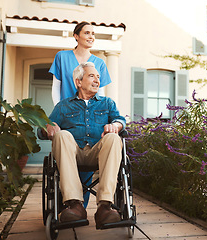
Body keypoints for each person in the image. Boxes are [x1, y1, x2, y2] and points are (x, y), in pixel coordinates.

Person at [44, 62, 125, 227]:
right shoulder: (63, 106)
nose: (97, 80)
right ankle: (75, 205)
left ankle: (105, 206)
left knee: (113, 138)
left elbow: (120, 119)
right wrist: (48, 125)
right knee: (62, 135)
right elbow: (46, 125)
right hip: (72, 155)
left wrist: (115, 125)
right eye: (92, 76)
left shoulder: (107, 103)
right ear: (78, 82)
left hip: (98, 153)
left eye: (98, 77)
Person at [49, 21, 112, 207]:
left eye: (93, 33)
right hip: (67, 117)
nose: (91, 36)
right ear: (76, 36)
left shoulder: (99, 63)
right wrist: (59, 113)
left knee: (86, 169)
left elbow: (103, 94)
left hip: (90, 117)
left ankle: (79, 208)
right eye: (87, 32)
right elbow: (56, 88)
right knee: (66, 163)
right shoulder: (62, 57)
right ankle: (68, 203)